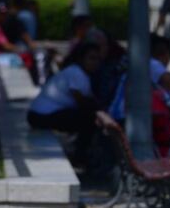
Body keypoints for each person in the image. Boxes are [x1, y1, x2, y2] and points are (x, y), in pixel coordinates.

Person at [27, 42, 116, 170]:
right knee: (89, 119)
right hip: (40, 116)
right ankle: (80, 157)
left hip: (39, 115)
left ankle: (80, 154)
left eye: (98, 59)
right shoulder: (76, 73)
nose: (95, 63)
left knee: (88, 117)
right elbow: (82, 101)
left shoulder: (80, 73)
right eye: (91, 58)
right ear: (81, 59)